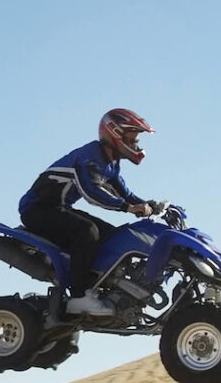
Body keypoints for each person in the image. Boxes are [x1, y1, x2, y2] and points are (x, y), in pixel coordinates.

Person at [18, 108, 162, 316]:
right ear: (114, 133)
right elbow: (92, 192)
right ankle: (79, 296)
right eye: (131, 139)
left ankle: (103, 287)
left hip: (58, 208)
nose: (135, 145)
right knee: (87, 232)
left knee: (114, 235)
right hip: (37, 209)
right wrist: (128, 208)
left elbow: (124, 192)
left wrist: (150, 206)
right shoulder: (90, 156)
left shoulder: (111, 163)